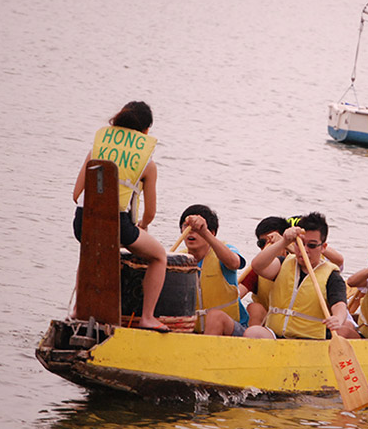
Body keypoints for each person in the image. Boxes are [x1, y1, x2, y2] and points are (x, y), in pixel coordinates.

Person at [72, 101, 168, 331]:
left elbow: (76, 194)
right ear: (146, 131)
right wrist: (142, 226)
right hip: (118, 226)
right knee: (159, 257)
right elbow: (151, 212)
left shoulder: (95, 150)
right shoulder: (148, 163)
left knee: (89, 251)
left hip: (82, 222)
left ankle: (78, 309)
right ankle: (147, 317)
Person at [244, 212, 353, 340]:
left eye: (311, 245)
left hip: (309, 340)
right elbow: (258, 265)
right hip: (276, 335)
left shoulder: (332, 276)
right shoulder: (282, 263)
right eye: (300, 243)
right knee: (253, 333)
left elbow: (339, 305)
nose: (304, 250)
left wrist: (337, 319)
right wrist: (284, 241)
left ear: (323, 247)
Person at [178, 205, 247, 336]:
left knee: (215, 316)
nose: (190, 232)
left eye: (196, 229)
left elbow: (234, 263)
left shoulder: (225, 251)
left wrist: (204, 231)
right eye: (186, 227)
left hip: (231, 329)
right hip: (194, 331)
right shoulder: (179, 259)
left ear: (212, 233)